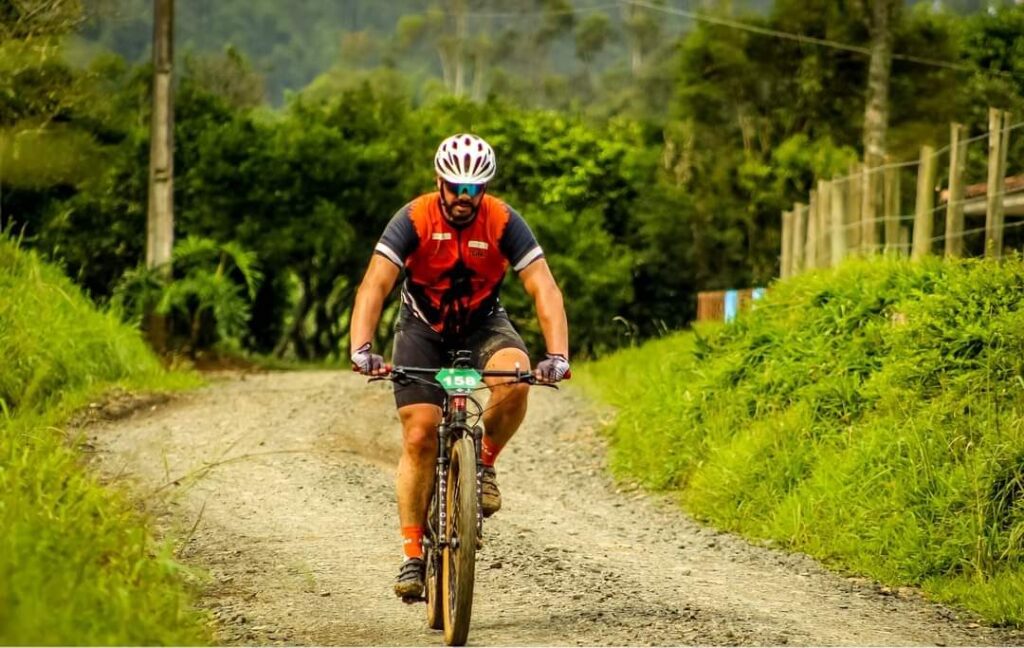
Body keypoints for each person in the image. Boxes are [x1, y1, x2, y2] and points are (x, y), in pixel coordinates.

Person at [348, 133, 571, 599]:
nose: (465, 198)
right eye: (456, 188)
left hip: (482, 323)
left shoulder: (505, 221)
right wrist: (361, 347)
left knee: (516, 376)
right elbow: (375, 284)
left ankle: (483, 465)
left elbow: (544, 288)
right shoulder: (412, 218)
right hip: (422, 326)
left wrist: (558, 355)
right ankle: (412, 557)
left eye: (475, 189)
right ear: (440, 182)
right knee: (419, 434)